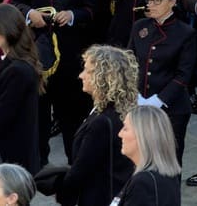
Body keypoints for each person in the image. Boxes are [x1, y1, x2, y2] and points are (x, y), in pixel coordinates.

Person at [11, 0, 96, 166]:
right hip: (37, 54)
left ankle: (76, 162)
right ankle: (38, 163)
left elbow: (92, 11)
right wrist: (29, 14)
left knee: (72, 114)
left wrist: (73, 15)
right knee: (37, 115)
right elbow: (16, 3)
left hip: (69, 57)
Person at [54, 45, 138, 206]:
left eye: (88, 71)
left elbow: (81, 168)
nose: (81, 76)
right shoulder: (120, 110)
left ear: (104, 78)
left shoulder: (102, 122)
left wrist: (62, 190)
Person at [128, 0, 194, 163]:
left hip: (171, 109)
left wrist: (159, 100)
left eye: (158, 0)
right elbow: (129, 62)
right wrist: (136, 94)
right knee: (140, 158)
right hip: (139, 103)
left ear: (173, 2)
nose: (151, 4)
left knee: (168, 160)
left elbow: (184, 74)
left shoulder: (185, 33)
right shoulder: (140, 27)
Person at [0, 4, 43, 175]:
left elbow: (1, 116)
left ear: (6, 31)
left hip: (12, 159)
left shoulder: (18, 70)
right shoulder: (11, 62)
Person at [114, 106, 182, 205]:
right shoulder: (167, 172)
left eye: (125, 128)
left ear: (142, 136)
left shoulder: (143, 183)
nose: (120, 134)